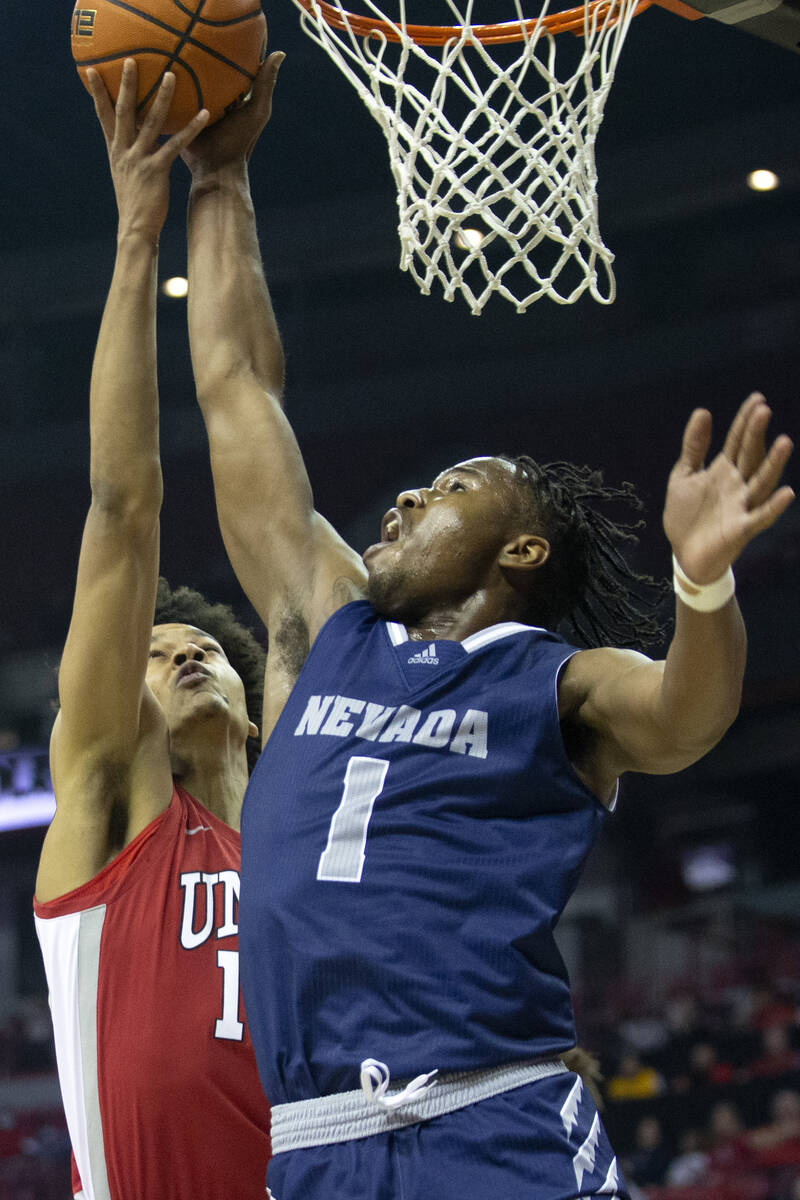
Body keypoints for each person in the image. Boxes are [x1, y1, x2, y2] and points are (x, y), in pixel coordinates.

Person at [183, 64, 795, 1200]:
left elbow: (683, 717)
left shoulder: (553, 682)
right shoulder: (331, 624)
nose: (406, 500)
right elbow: (233, 388)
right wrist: (220, 176)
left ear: (520, 550)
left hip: (490, 1117)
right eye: (411, 490)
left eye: (451, 486)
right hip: (314, 1138)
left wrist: (700, 584)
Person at [33, 59, 281, 1200]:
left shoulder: (303, 844)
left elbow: (259, 419)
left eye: (206, 648)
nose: (183, 649)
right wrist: (142, 237)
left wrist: (225, 190)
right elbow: (123, 511)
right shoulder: (111, 801)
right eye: (154, 652)